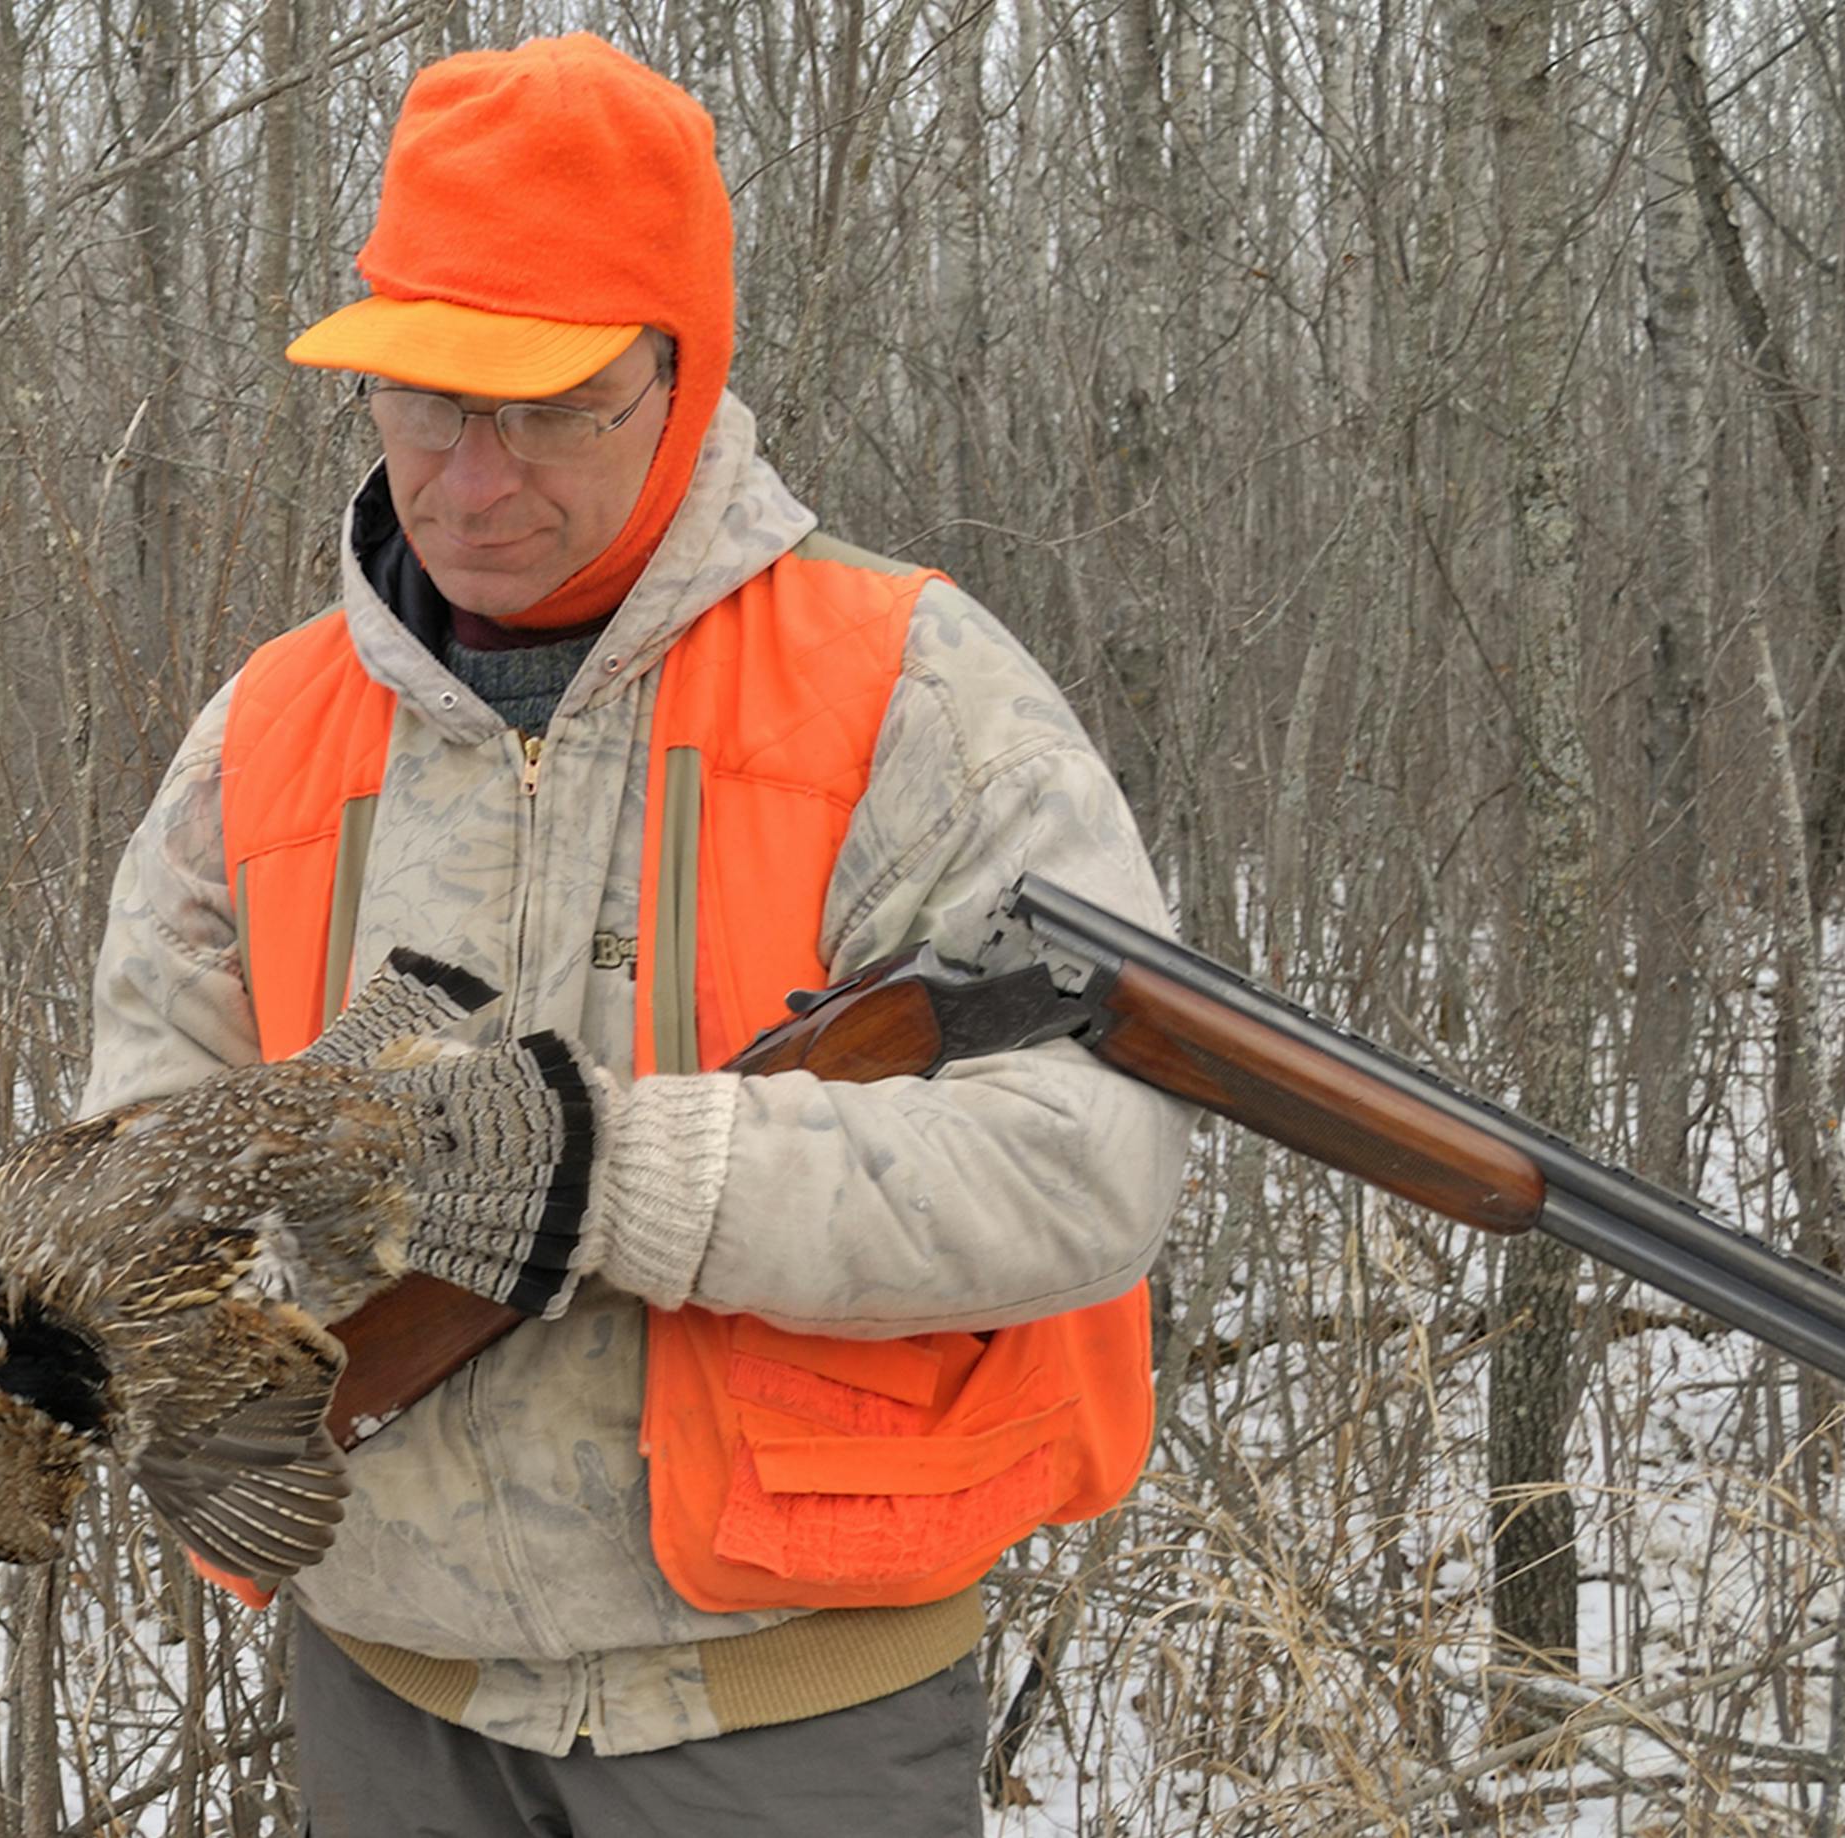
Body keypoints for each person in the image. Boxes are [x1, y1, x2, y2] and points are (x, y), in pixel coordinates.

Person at [82, 33, 1192, 1837]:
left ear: (681, 374)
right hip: (389, 1698)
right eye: (428, 400)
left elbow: (1084, 1172)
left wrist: (622, 1173)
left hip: (790, 1703)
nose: (476, 474)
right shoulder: (263, 739)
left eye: (552, 406)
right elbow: (150, 1171)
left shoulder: (909, 688)